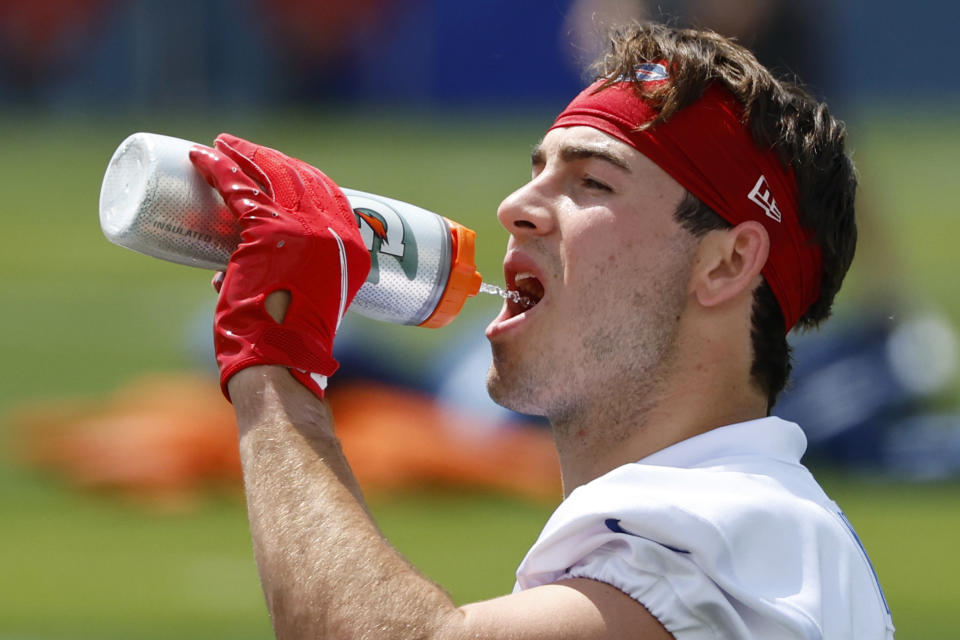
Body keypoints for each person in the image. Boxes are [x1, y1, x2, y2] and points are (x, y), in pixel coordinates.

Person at [188, 22, 894, 640]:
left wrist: (275, 367)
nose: (515, 206)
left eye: (593, 182)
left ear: (727, 262)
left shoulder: (734, 525)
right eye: (537, 171)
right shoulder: (745, 521)